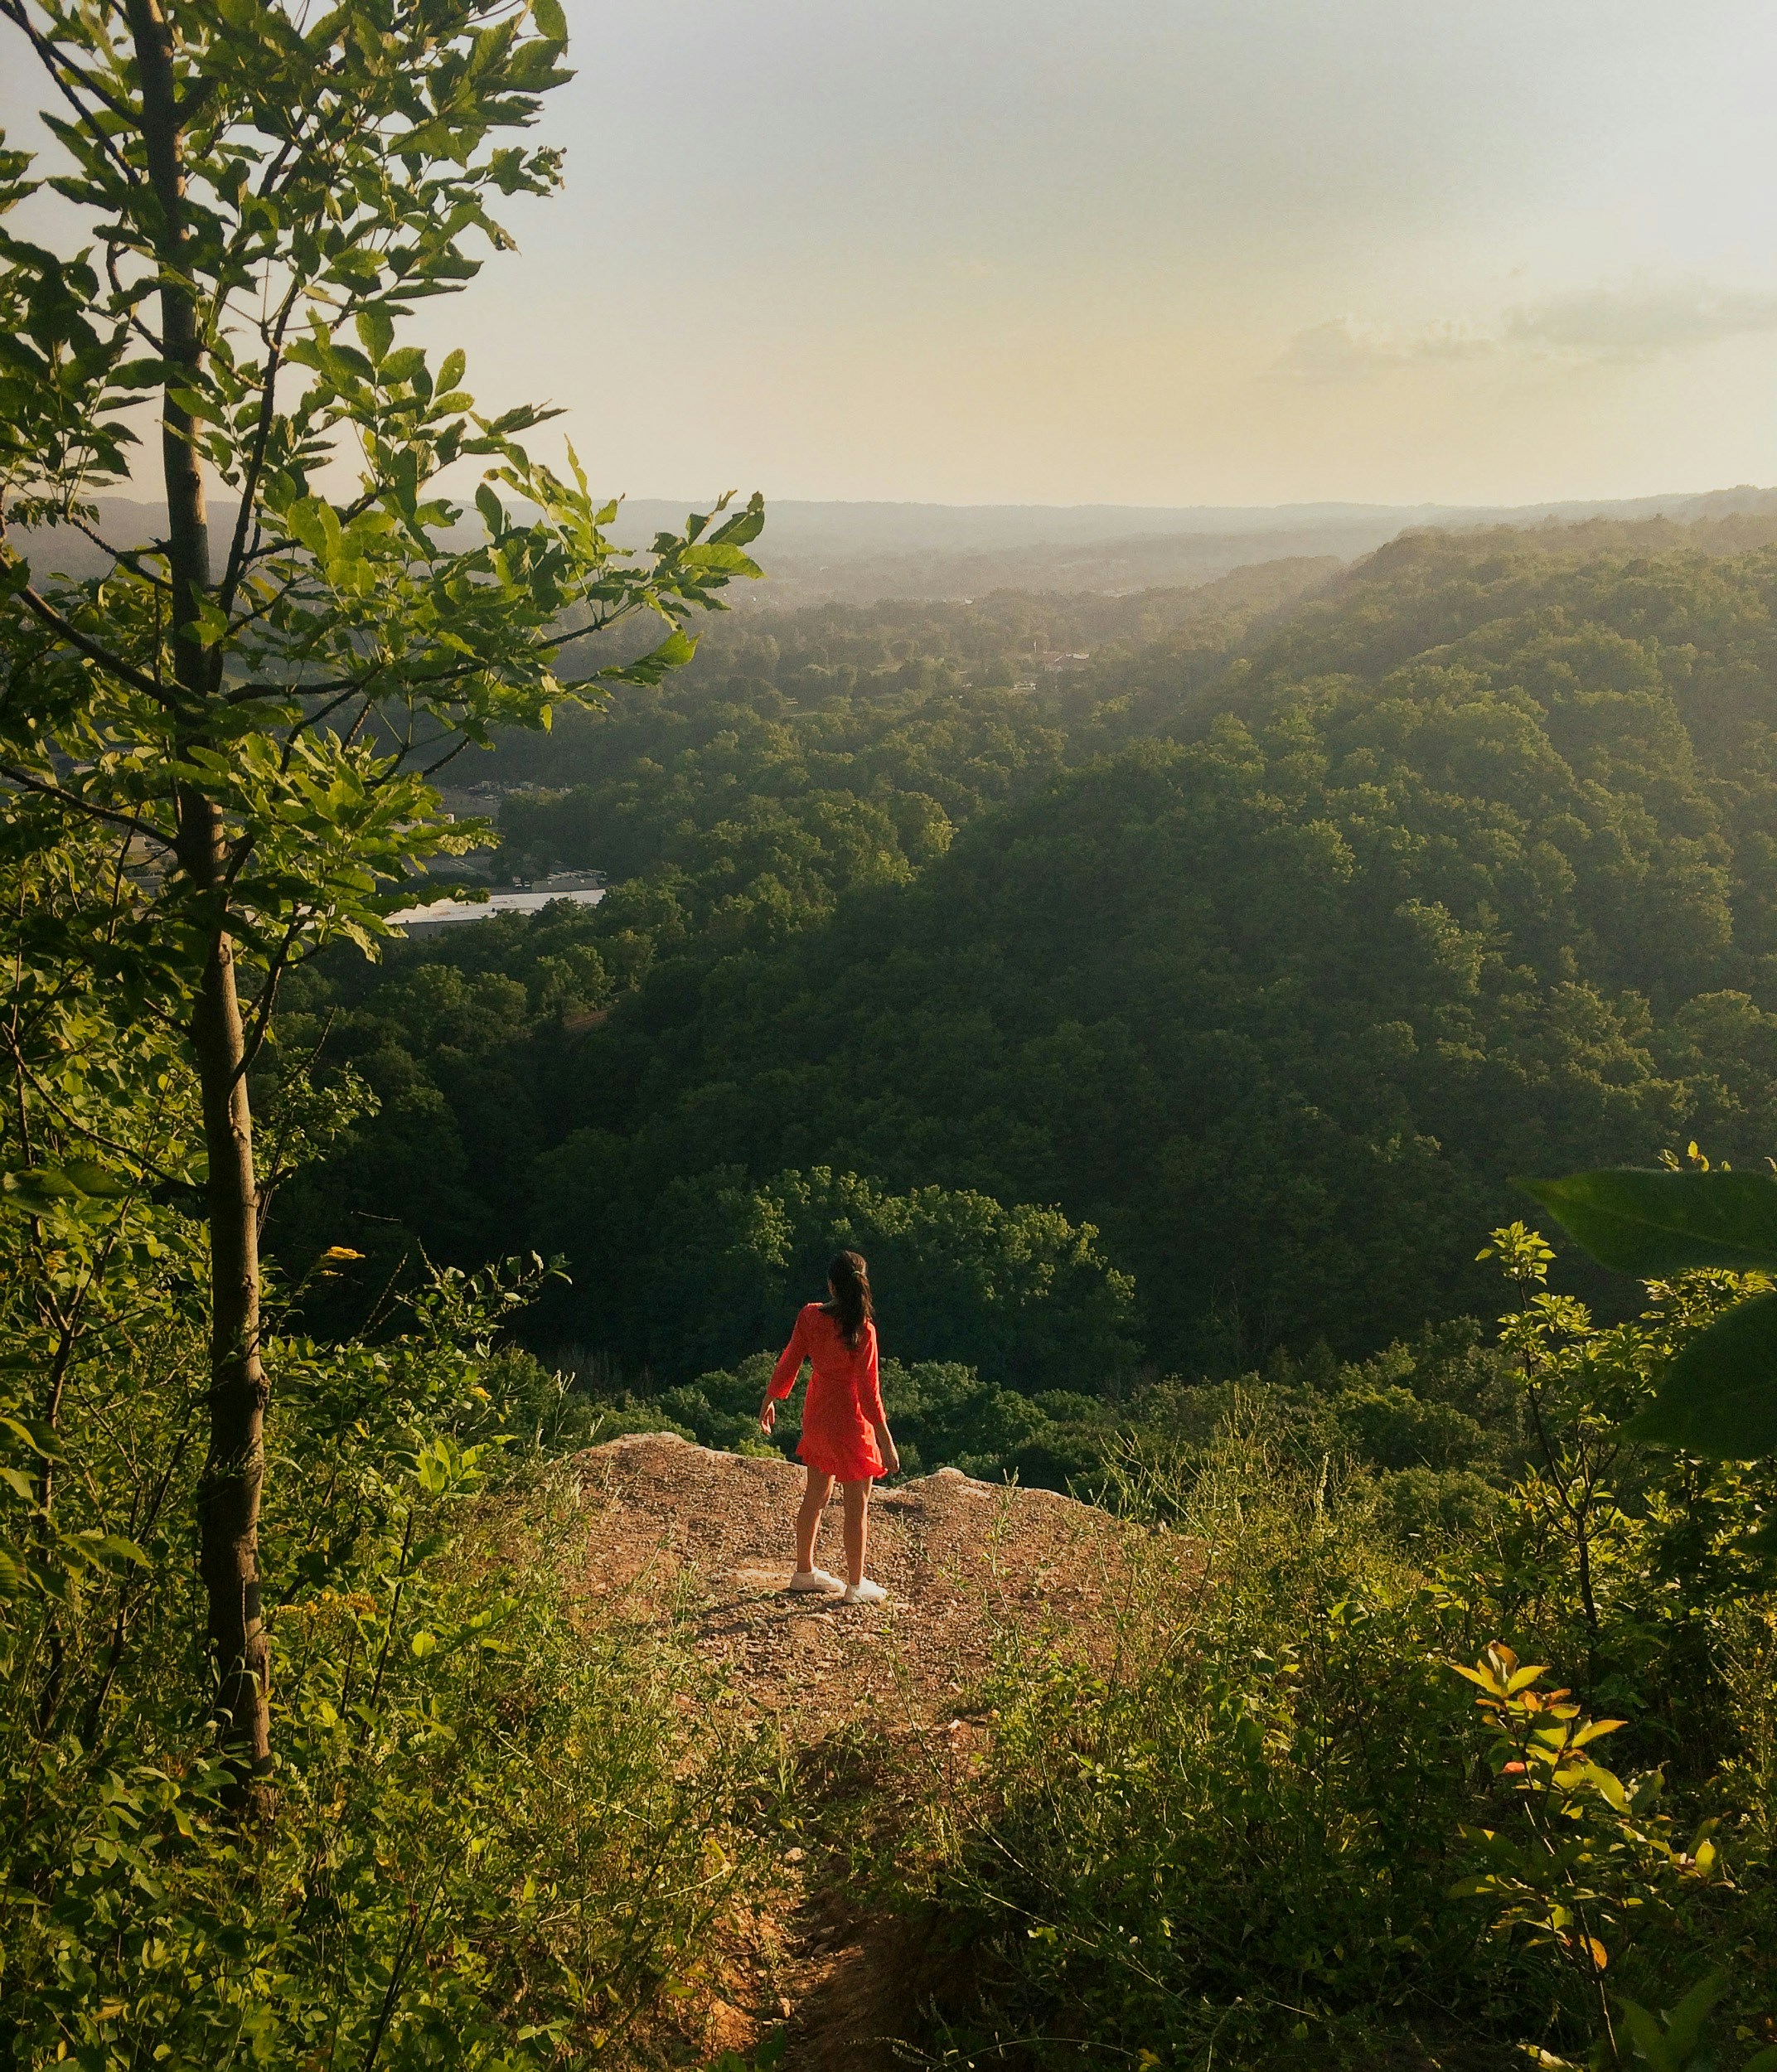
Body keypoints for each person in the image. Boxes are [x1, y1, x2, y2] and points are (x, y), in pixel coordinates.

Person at [759, 1248, 900, 1605]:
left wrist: (771, 1397)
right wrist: (886, 1442)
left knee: (816, 1494)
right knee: (857, 1503)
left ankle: (804, 1572)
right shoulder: (863, 1330)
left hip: (819, 1410)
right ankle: (856, 1584)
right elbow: (870, 1395)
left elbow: (790, 1357)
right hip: (850, 1419)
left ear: (831, 1285)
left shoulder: (810, 1316)